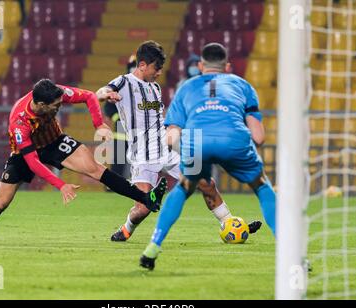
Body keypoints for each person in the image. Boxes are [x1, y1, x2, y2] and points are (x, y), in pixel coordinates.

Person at [0, 79, 167, 241]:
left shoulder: (54, 92)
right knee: (2, 202)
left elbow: (88, 96)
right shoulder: (19, 122)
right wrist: (60, 185)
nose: (59, 107)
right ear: (40, 104)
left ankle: (146, 199)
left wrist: (99, 124)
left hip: (54, 142)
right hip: (25, 154)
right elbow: (33, 162)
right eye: (55, 106)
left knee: (96, 169)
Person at [96, 40, 262, 242]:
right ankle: (126, 229)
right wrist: (107, 94)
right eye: (156, 68)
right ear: (142, 65)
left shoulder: (155, 88)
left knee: (205, 183)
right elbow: (100, 92)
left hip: (167, 148)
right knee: (144, 206)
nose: (159, 73)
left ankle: (229, 222)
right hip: (143, 154)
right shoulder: (124, 82)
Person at [139, 43, 277, 270]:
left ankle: (153, 247)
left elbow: (171, 136)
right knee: (262, 187)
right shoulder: (243, 85)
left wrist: (184, 151)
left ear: (201, 66)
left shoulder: (186, 87)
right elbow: (259, 136)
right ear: (228, 67)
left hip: (196, 141)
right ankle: (295, 257)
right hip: (234, 139)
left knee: (183, 188)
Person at [102, 55, 137, 180]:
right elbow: (108, 107)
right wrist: (118, 117)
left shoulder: (145, 86)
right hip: (121, 130)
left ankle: (139, 186)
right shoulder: (121, 85)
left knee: (139, 161)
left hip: (138, 130)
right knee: (118, 161)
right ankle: (113, 187)